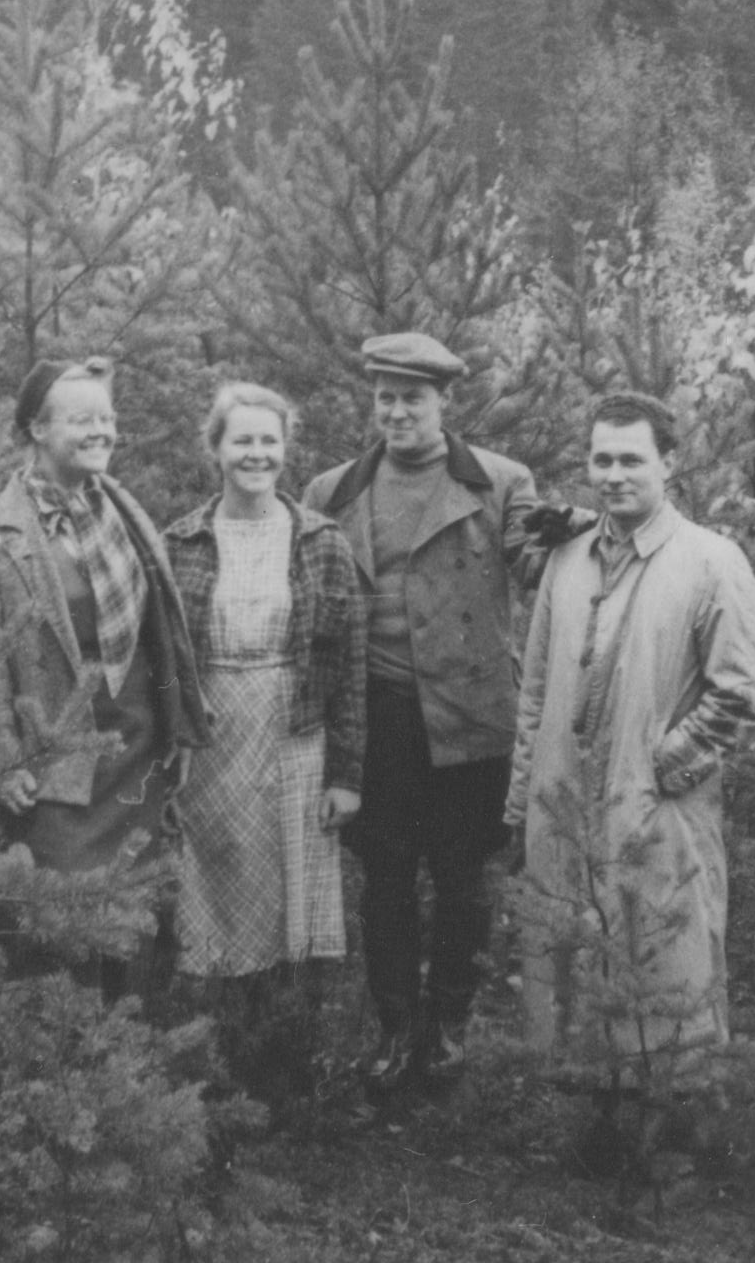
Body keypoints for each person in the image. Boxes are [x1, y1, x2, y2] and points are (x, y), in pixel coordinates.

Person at [300, 331, 590, 1090]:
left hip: (469, 715)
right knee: (387, 880)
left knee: (464, 880)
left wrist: (568, 536)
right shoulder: (331, 492)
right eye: (386, 399)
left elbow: (532, 566)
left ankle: (449, 1030)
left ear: (443, 402)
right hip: (379, 717)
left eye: (413, 399)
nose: (397, 413)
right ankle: (396, 1030)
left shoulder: (499, 482)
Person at [503, 391, 755, 1067]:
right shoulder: (566, 559)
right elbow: (536, 689)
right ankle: (584, 1108)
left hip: (659, 817)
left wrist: (660, 770)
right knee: (567, 983)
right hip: (560, 811)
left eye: (631, 460)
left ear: (668, 463)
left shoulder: (712, 561)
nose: (614, 475)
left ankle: (668, 1111)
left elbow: (743, 695)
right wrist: (525, 801)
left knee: (666, 979)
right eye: (602, 460)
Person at [0, 356, 206, 873]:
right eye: (82, 420)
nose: (101, 432)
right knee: (64, 903)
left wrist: (181, 724)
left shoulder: (121, 511)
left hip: (139, 749)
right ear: (38, 429)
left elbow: (161, 634)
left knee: (138, 902)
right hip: (58, 769)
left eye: (107, 419)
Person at [163, 382, 366, 983]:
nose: (257, 455)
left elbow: (350, 669)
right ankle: (214, 1015)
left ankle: (285, 1017)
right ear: (216, 449)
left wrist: (346, 777)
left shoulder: (321, 541)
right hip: (210, 737)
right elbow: (160, 668)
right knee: (213, 874)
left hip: (293, 732)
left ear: (285, 448)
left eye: (269, 442)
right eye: (242, 441)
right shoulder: (179, 543)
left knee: (287, 879)